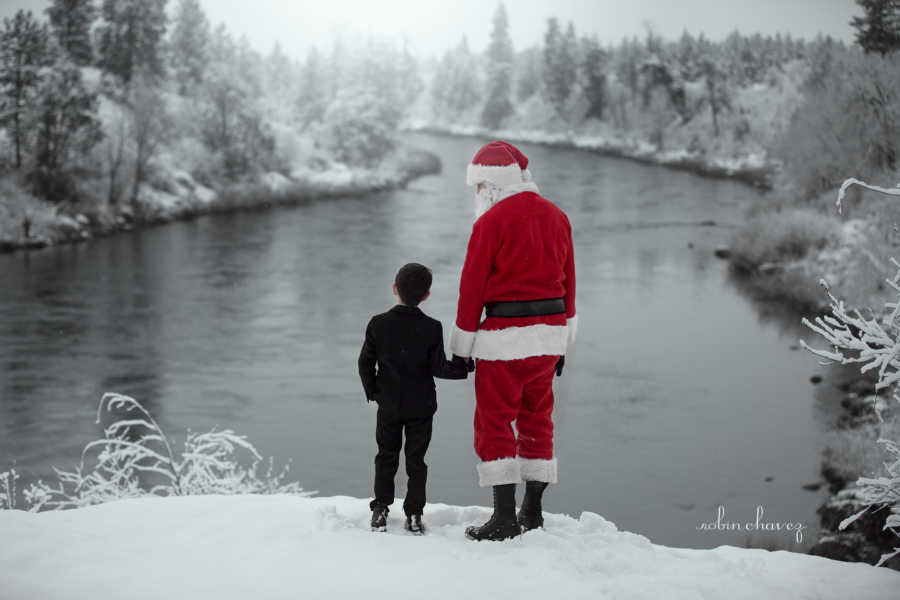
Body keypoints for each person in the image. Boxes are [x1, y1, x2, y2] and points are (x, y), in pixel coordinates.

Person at [450, 141, 577, 541]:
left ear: (489, 184)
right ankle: (533, 511)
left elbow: (471, 290)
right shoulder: (557, 216)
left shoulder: (489, 224)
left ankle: (503, 517)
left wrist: (461, 349)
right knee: (538, 418)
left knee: (494, 421)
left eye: (477, 188)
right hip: (550, 336)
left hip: (504, 339)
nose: (476, 196)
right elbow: (570, 282)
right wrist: (564, 342)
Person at [358, 262, 471, 534]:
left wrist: (373, 391)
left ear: (395, 288)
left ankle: (380, 510)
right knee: (416, 461)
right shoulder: (432, 327)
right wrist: (465, 366)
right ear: (427, 295)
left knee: (386, 455)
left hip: (389, 404)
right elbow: (438, 368)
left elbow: (364, 363)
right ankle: (414, 514)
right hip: (421, 406)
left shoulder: (378, 323)